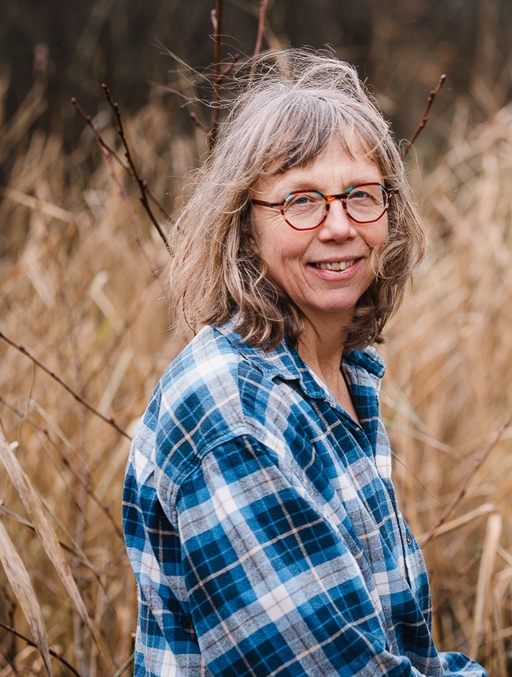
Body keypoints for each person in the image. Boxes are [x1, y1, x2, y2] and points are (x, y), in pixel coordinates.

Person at [122, 50, 486, 677]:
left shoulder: (340, 375)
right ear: (244, 225)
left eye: (360, 196)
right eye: (301, 202)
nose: (340, 225)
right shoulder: (232, 415)